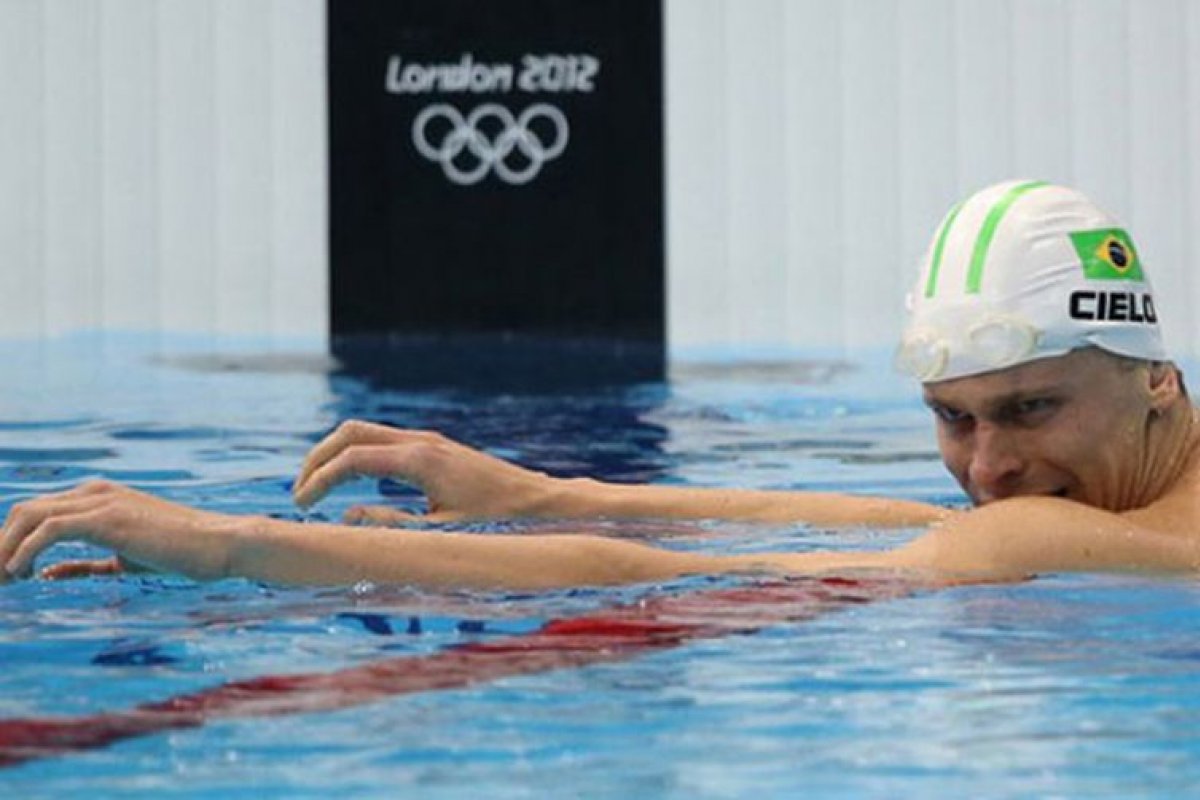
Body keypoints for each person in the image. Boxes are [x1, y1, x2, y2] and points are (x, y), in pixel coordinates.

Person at [2, 180, 1198, 588]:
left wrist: (236, 542)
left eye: (1029, 410)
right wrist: (538, 491)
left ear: (1154, 375)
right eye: (951, 417)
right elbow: (914, 526)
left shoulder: (1048, 534)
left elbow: (662, 581)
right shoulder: (1126, 511)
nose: (985, 467)